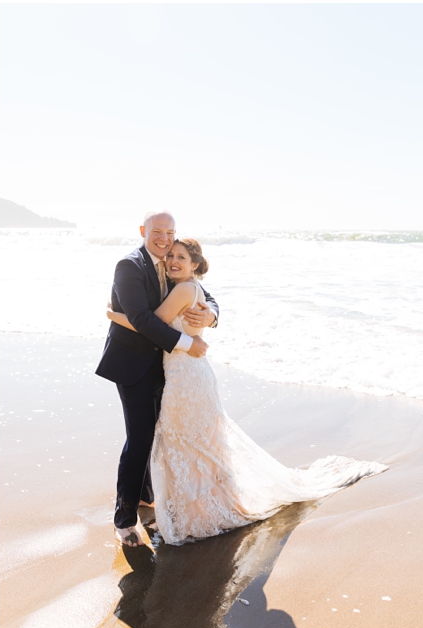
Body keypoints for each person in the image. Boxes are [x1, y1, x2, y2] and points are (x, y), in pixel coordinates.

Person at [106, 239, 388, 545]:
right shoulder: (174, 282)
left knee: (191, 442)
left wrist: (114, 315)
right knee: (195, 443)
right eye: (171, 255)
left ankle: (204, 513)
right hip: (184, 375)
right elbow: (166, 317)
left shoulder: (185, 289)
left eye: (181, 257)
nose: (173, 260)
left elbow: (150, 324)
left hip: (186, 378)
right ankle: (196, 509)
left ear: (196, 265)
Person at [95, 212, 218, 547]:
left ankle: (147, 497)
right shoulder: (130, 266)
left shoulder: (173, 264)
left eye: (170, 232)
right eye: (157, 232)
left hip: (167, 368)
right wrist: (188, 343)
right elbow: (143, 320)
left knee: (156, 434)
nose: (164, 239)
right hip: (134, 363)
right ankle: (123, 517)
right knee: (139, 438)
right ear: (143, 231)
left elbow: (205, 294)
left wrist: (212, 314)